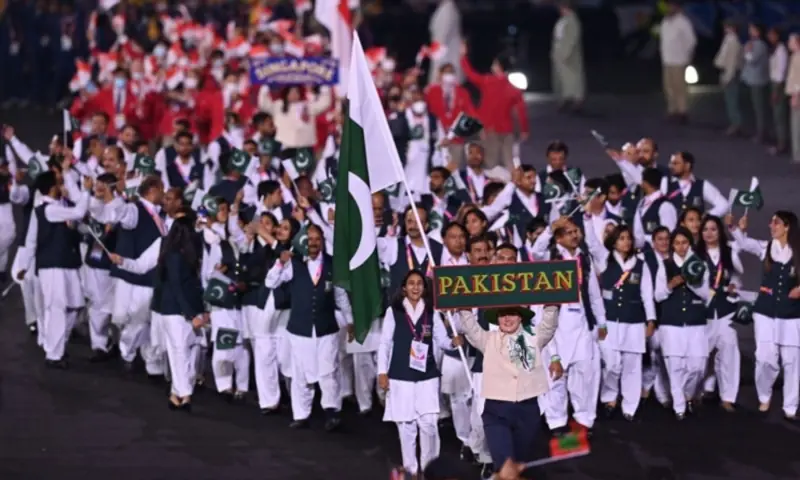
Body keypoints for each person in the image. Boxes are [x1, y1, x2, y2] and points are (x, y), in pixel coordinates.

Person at [112, 212, 208, 411]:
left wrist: (201, 311)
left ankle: (176, 393)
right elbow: (176, 286)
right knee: (178, 351)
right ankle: (185, 394)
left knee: (190, 350)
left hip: (190, 308)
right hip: (175, 310)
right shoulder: (172, 254)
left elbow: (195, 284)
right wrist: (191, 314)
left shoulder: (192, 252)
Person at [265, 223, 353, 430]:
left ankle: (332, 411)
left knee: (329, 370)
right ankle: (301, 414)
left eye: (317, 239)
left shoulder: (333, 264)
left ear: (322, 241)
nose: (313, 243)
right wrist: (279, 263)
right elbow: (271, 283)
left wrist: (350, 321)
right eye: (309, 239)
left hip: (326, 327)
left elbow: (340, 295)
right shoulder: (293, 263)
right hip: (300, 328)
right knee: (300, 372)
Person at [457, 302, 560, 470]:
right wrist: (463, 308)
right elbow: (470, 328)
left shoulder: (534, 337)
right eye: (503, 314)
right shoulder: (488, 339)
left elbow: (549, 324)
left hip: (527, 412)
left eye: (512, 313)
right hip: (496, 413)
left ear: (520, 316)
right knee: (506, 467)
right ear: (497, 318)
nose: (507, 319)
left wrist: (553, 303)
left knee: (519, 466)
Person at [378, 269, 459, 477]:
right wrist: (382, 372)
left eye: (419, 284)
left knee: (429, 423)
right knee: (406, 426)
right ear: (404, 288)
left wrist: (453, 343)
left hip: (427, 376)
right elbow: (385, 343)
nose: (415, 287)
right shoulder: (393, 311)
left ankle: (430, 470)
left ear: (424, 288)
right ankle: (411, 471)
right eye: (411, 283)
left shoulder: (431, 312)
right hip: (400, 375)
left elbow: (441, 340)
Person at [730, 211, 800, 420]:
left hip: (792, 313)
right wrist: (738, 229)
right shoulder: (766, 248)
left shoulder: (798, 252)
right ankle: (764, 395)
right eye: (771, 222)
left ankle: (790, 406)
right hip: (765, 311)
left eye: (776, 222)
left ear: (787, 226)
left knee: (792, 360)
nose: (771, 225)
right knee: (764, 358)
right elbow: (744, 243)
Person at [23, 171, 91, 368]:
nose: (64, 187)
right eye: (61, 183)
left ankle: (57, 345)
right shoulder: (48, 210)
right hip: (52, 267)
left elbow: (79, 221)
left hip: (67, 264)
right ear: (53, 188)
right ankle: (54, 354)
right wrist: (85, 192)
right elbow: (31, 240)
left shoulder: (59, 208)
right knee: (57, 308)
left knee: (75, 305)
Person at [592, 224, 656, 421]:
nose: (626, 242)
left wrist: (650, 319)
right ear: (613, 241)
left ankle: (630, 405)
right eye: (621, 238)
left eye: (628, 238)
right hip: (608, 322)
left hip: (634, 322)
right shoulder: (605, 260)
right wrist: (587, 216)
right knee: (611, 364)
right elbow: (592, 244)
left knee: (632, 365)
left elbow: (647, 295)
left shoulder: (641, 264)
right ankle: (609, 397)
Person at [654, 227, 710, 420]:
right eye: (676, 243)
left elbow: (705, 295)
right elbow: (658, 295)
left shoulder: (700, 264)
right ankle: (679, 407)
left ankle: (688, 395)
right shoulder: (665, 265)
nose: (681, 247)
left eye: (684, 242)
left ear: (690, 244)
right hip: (672, 323)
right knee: (675, 366)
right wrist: (670, 286)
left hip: (695, 322)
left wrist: (691, 281)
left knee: (697, 366)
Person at [696, 215, 742, 412]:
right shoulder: (695, 254)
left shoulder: (729, 252)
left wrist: (734, 286)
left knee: (729, 353)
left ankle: (728, 397)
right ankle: (694, 393)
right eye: (705, 229)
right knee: (698, 357)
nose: (709, 233)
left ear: (720, 232)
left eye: (713, 229)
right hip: (702, 313)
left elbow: (739, 277)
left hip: (725, 312)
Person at [460, 41, 529, 171]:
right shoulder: (514, 88)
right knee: (509, 162)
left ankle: (491, 189)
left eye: (495, 63)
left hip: (489, 129)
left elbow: (470, 75)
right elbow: (521, 111)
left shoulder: (488, 81)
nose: (492, 66)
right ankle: (513, 187)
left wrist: (463, 57)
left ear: (499, 67)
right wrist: (524, 130)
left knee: (490, 163)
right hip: (507, 130)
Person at [658, 0, 696, 123]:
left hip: (678, 59)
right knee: (668, 86)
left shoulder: (683, 22)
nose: (669, 8)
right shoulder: (666, 21)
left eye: (671, 6)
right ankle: (672, 110)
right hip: (667, 59)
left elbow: (691, 40)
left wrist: (685, 54)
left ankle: (682, 111)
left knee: (679, 87)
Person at [551, 0, 585, 112]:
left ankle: (577, 101)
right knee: (563, 78)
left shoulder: (572, 21)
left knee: (573, 78)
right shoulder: (563, 20)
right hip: (560, 52)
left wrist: (565, 53)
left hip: (568, 54)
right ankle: (566, 99)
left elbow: (571, 38)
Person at [741, 23, 771, 143]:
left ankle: (761, 133)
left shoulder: (759, 45)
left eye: (752, 29)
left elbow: (752, 60)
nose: (750, 31)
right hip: (754, 80)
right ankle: (761, 131)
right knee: (757, 107)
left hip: (758, 81)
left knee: (759, 108)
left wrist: (747, 51)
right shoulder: (756, 44)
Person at [713, 19, 743, 136]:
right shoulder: (728, 40)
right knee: (729, 99)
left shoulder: (733, 41)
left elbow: (731, 61)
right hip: (726, 72)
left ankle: (736, 124)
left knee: (732, 100)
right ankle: (734, 123)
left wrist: (728, 77)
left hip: (730, 73)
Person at [768, 27, 790, 156]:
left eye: (772, 35)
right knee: (777, 115)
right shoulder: (776, 49)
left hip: (778, 84)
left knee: (779, 115)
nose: (769, 37)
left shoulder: (781, 50)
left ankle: (782, 144)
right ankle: (779, 142)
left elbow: (780, 72)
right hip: (774, 82)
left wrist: (776, 91)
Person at [786, 34, 800, 162]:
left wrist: (796, 95)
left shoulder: (798, 57)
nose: (789, 43)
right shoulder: (795, 56)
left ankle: (797, 155)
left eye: (791, 41)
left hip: (797, 95)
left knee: (796, 125)